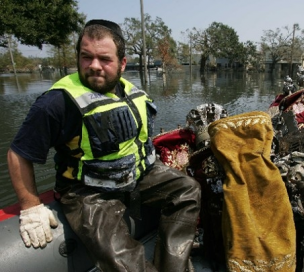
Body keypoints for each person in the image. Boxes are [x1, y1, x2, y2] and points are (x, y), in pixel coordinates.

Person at [7, 19, 201, 272]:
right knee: (125, 264)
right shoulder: (56, 103)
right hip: (87, 191)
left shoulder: (131, 92)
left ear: (122, 64)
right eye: (86, 57)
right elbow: (19, 154)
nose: (94, 66)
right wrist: (31, 206)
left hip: (137, 175)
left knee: (187, 190)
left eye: (104, 59)